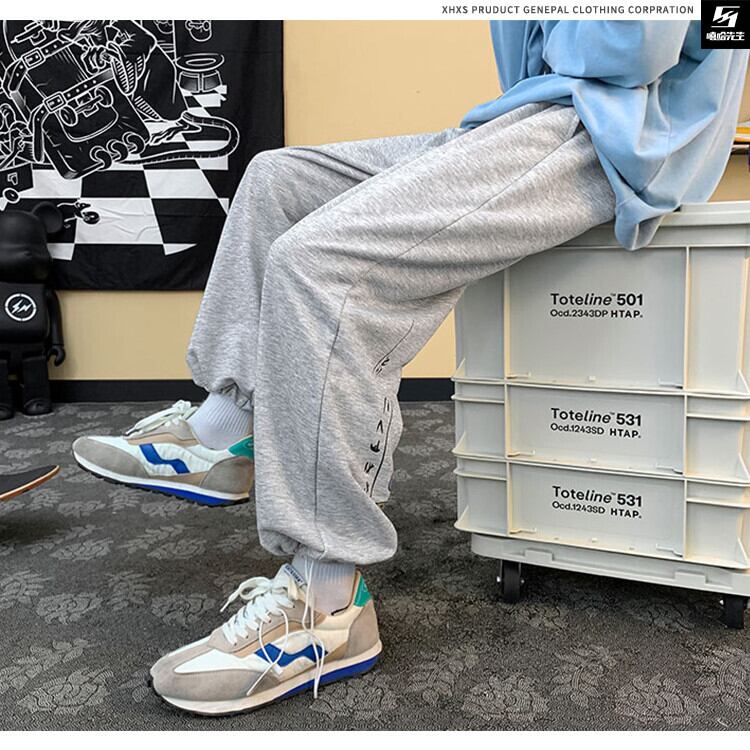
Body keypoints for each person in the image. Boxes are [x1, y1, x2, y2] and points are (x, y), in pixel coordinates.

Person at [72, 21, 747, 715]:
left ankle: (327, 604)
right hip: (531, 118)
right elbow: (529, 67)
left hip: (616, 138)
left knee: (318, 264)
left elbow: (632, 49)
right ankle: (227, 432)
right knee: (276, 180)